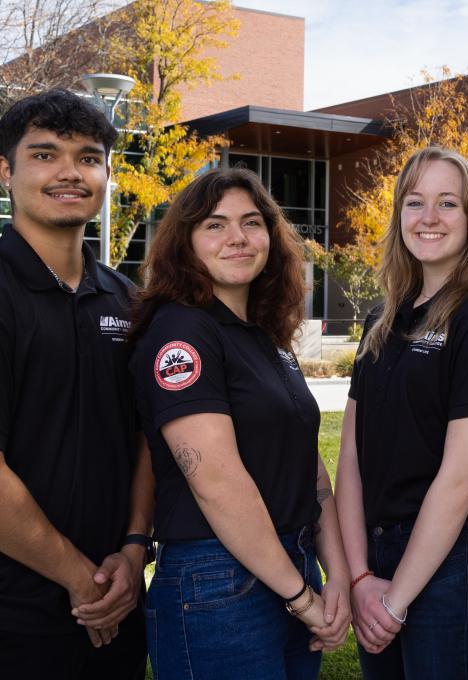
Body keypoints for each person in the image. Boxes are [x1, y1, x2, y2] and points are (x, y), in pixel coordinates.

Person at [0, 88, 152, 679]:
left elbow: (148, 437)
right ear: (5, 172)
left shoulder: (126, 299)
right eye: (45, 155)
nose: (70, 172)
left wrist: (132, 548)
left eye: (89, 158)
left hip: (114, 608)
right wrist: (82, 580)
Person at [129, 167, 351, 679]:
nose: (237, 238)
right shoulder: (181, 332)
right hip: (218, 582)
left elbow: (311, 473)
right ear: (184, 243)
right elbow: (217, 484)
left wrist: (334, 572)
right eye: (215, 225)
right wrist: (300, 597)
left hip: (288, 564)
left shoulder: (265, 336)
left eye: (251, 223)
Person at [334, 146, 468, 679]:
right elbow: (350, 458)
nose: (429, 218)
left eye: (447, 203)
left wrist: (396, 598)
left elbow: (460, 479)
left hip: (447, 559)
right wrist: (362, 577)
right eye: (414, 203)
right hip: (376, 553)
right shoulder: (382, 319)